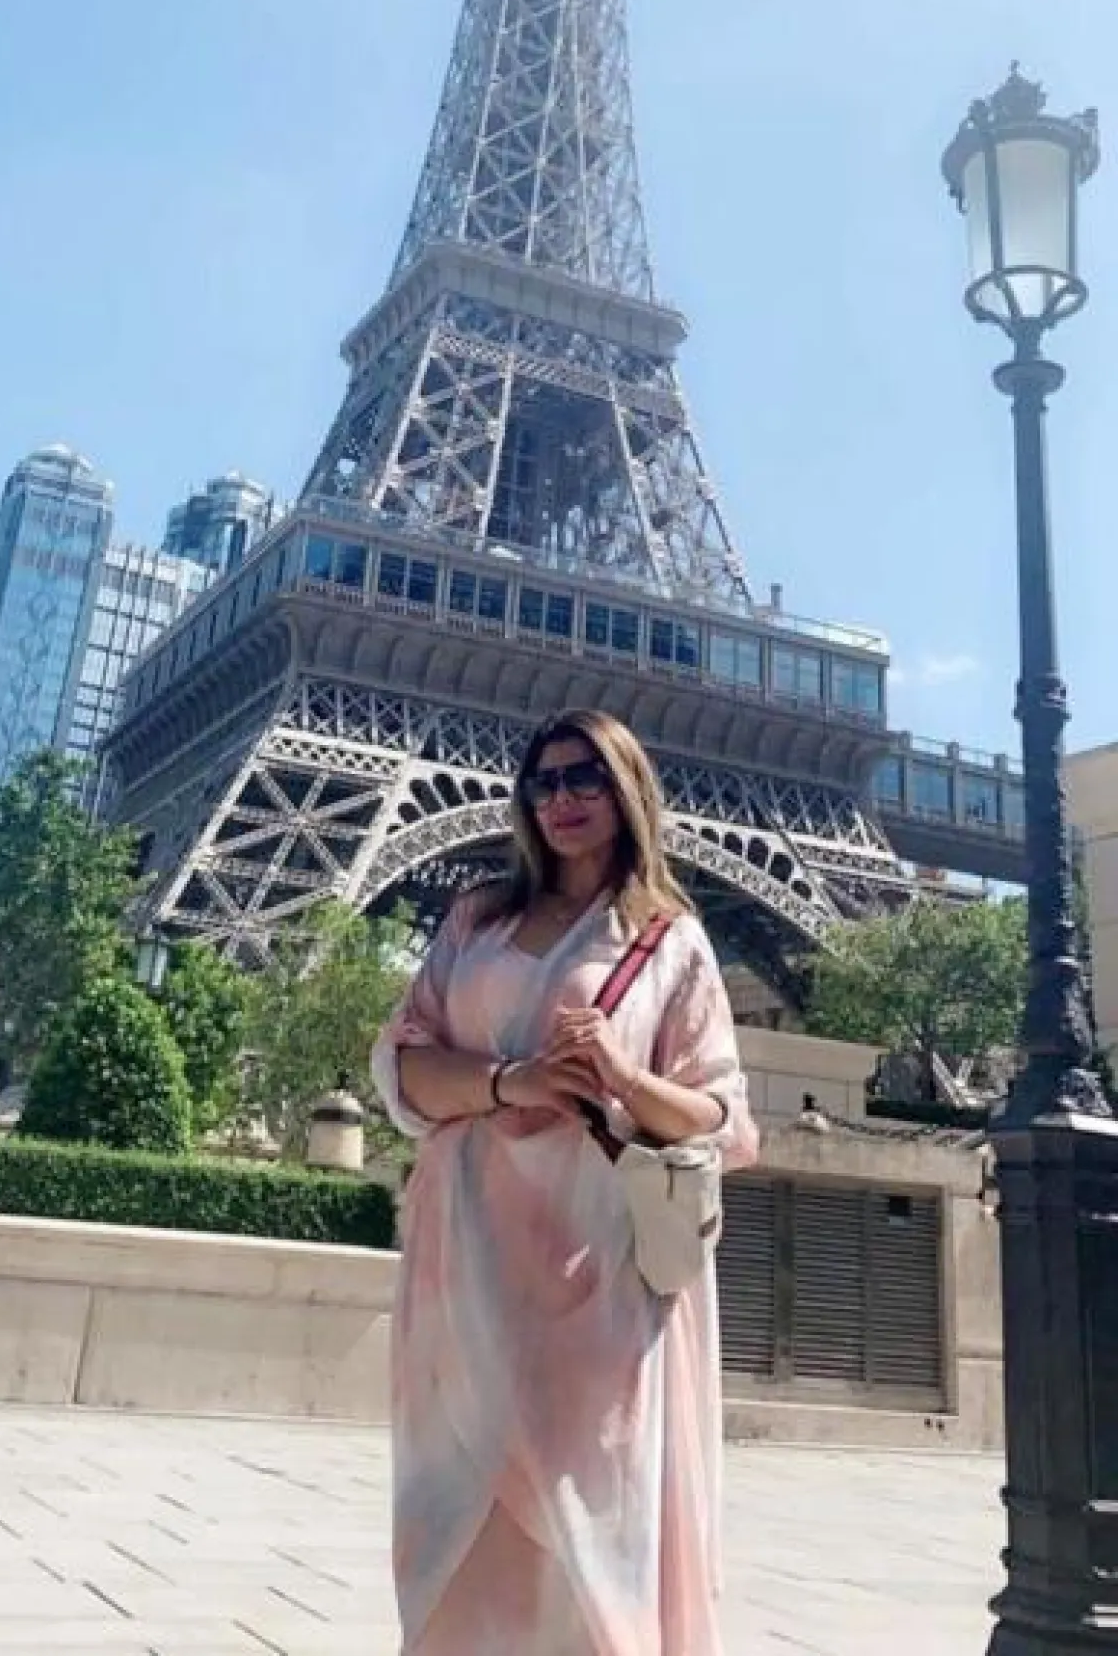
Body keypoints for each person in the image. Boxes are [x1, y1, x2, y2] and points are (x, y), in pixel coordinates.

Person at [371, 707, 759, 1656]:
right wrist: (514, 1080)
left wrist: (621, 1077)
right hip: (465, 1259)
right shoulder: (477, 918)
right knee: (452, 1509)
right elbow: (404, 1066)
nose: (563, 797)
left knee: (586, 1523)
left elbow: (721, 1118)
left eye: (586, 776)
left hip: (596, 1270)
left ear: (626, 789)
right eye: (543, 781)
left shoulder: (669, 939)